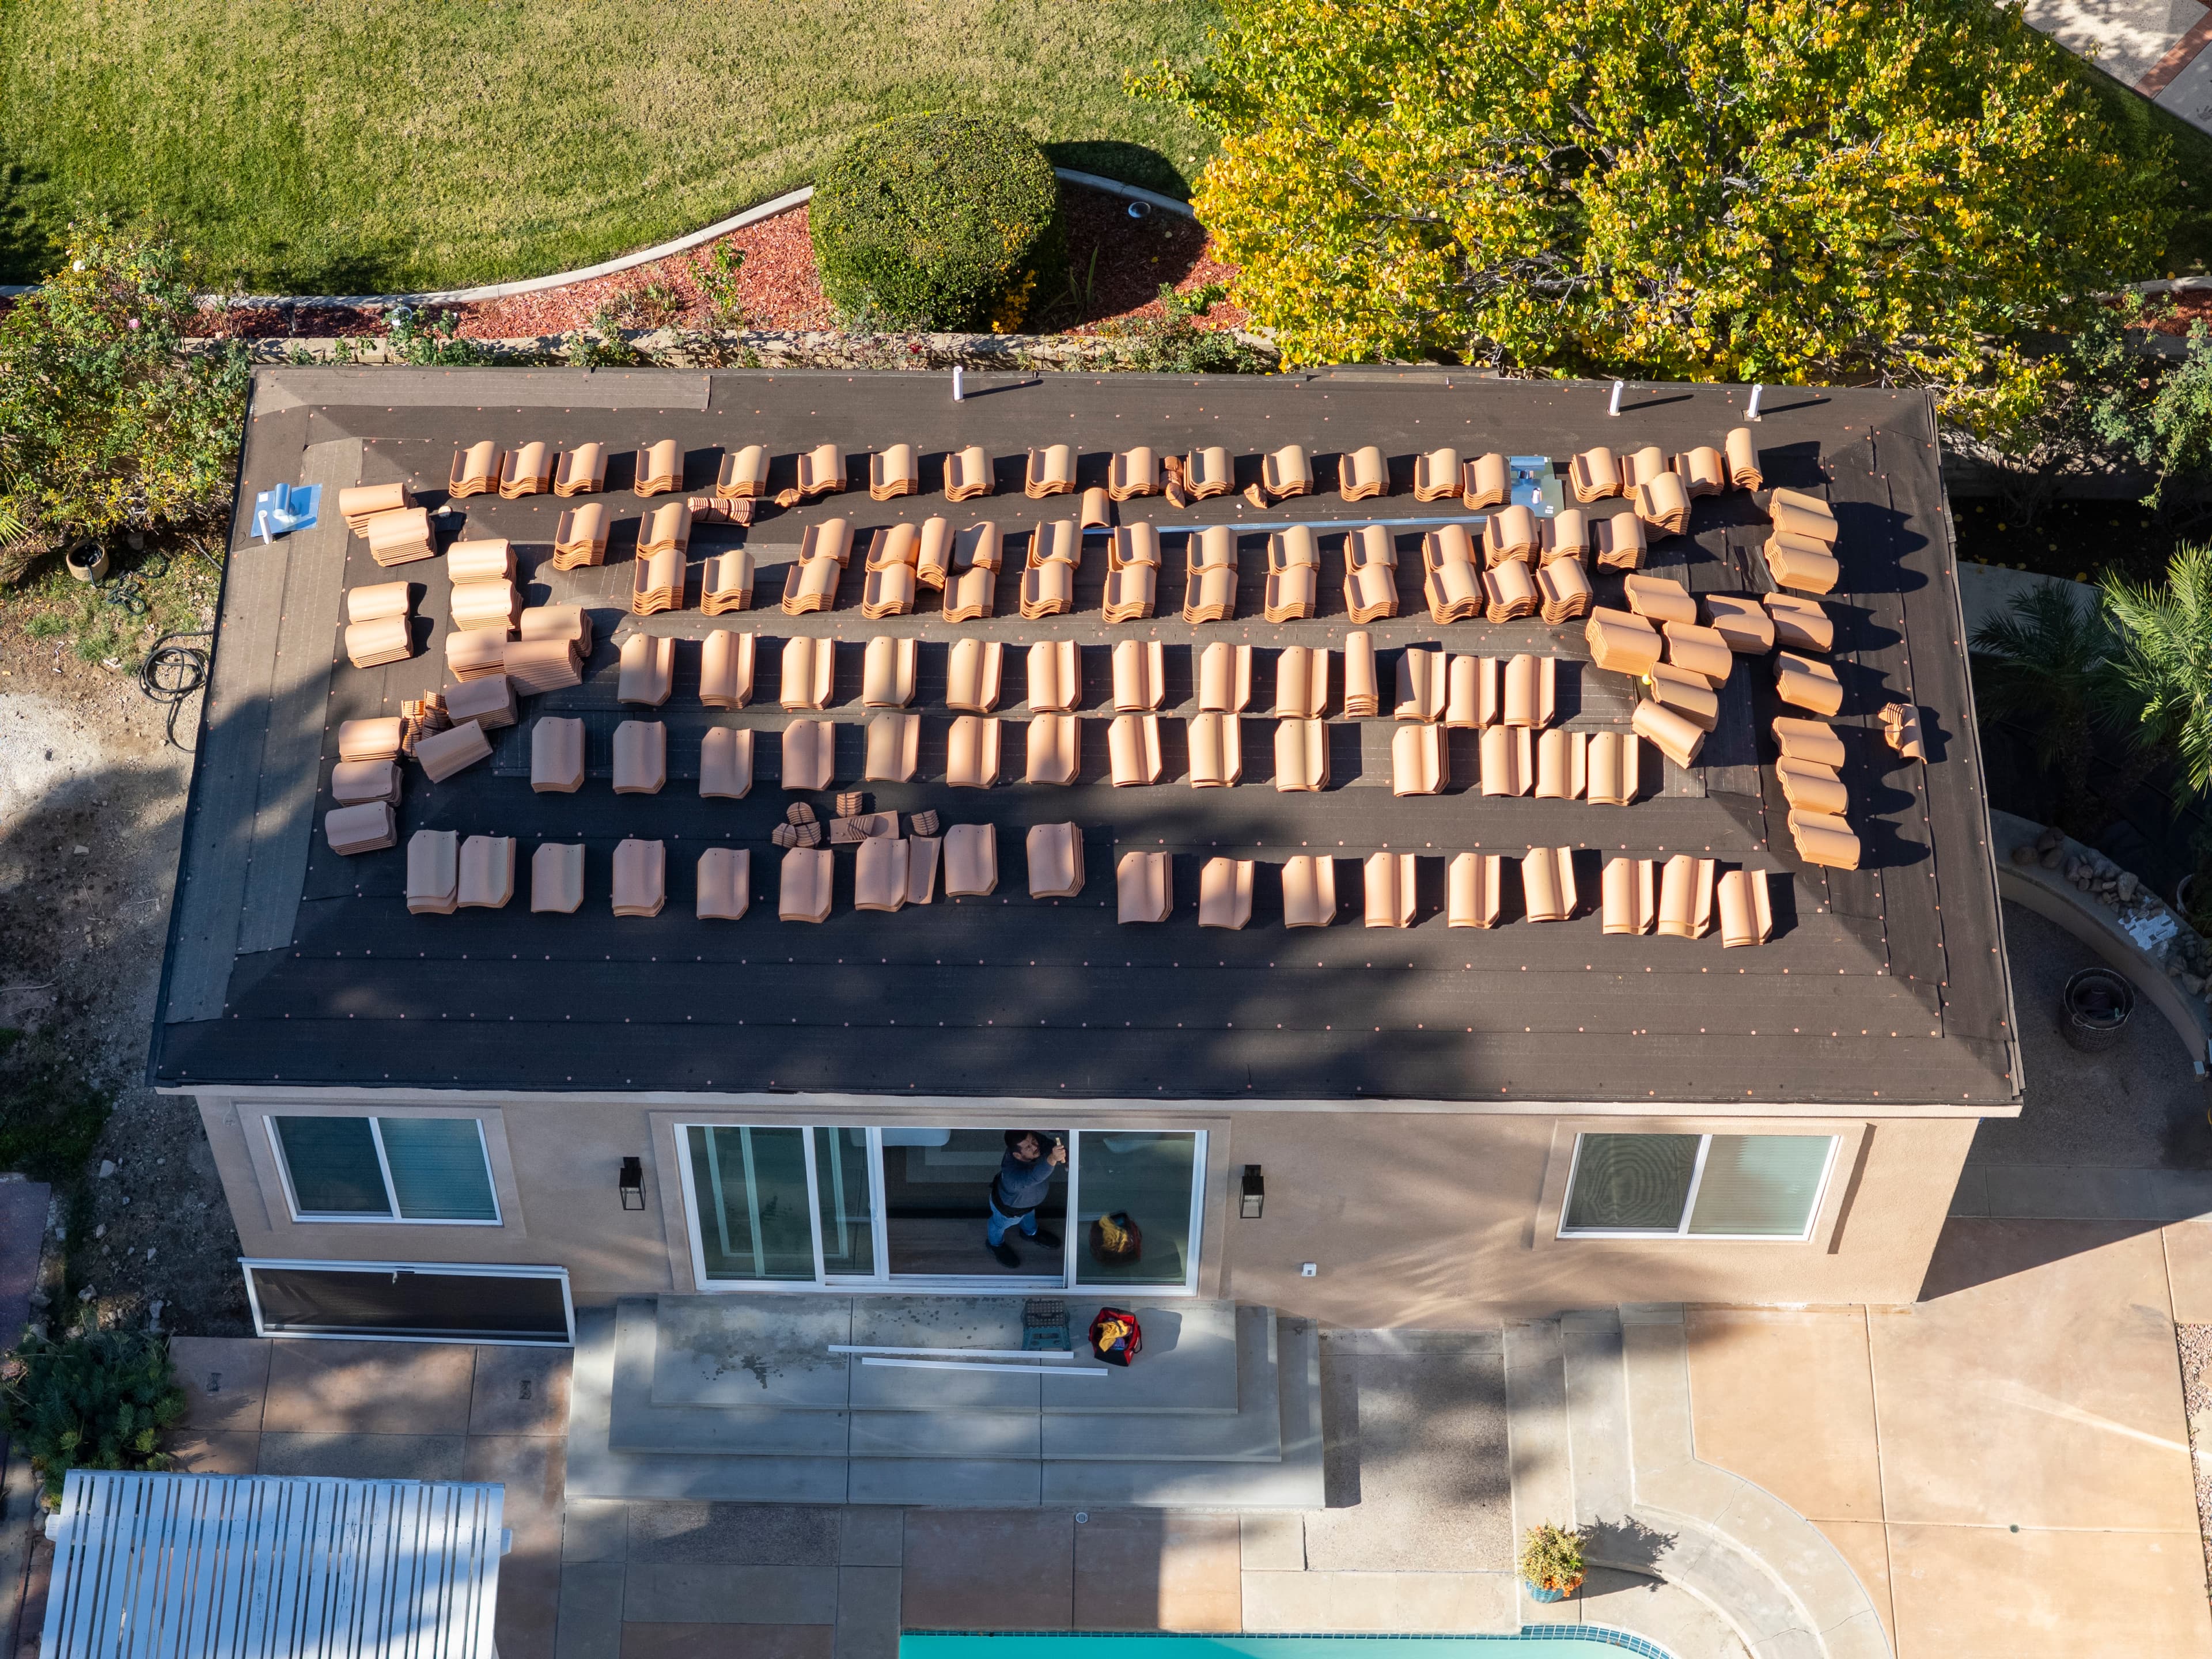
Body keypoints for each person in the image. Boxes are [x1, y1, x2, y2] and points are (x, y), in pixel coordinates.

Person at [986, 1130, 1064, 1266]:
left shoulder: (1032, 1145)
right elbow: (1033, 1177)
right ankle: (995, 1245)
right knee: (998, 1225)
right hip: (1009, 1211)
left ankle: (1030, 1233)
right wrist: (1052, 1158)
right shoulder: (1013, 1176)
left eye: (1033, 1141)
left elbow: (1045, 1143)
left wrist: (1064, 1155)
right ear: (1017, 1155)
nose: (1035, 1146)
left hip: (1027, 1205)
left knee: (1029, 1216)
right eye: (1028, 1147)